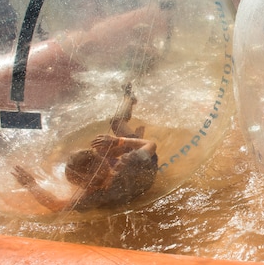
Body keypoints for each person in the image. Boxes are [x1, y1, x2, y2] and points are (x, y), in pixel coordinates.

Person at [11, 83, 158, 212]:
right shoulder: (128, 163)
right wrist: (118, 141)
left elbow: (55, 205)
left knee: (108, 145)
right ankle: (131, 122)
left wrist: (31, 185)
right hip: (147, 168)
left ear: (83, 184)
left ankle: (132, 137)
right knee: (116, 123)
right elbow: (151, 145)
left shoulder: (92, 198)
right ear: (105, 163)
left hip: (134, 188)